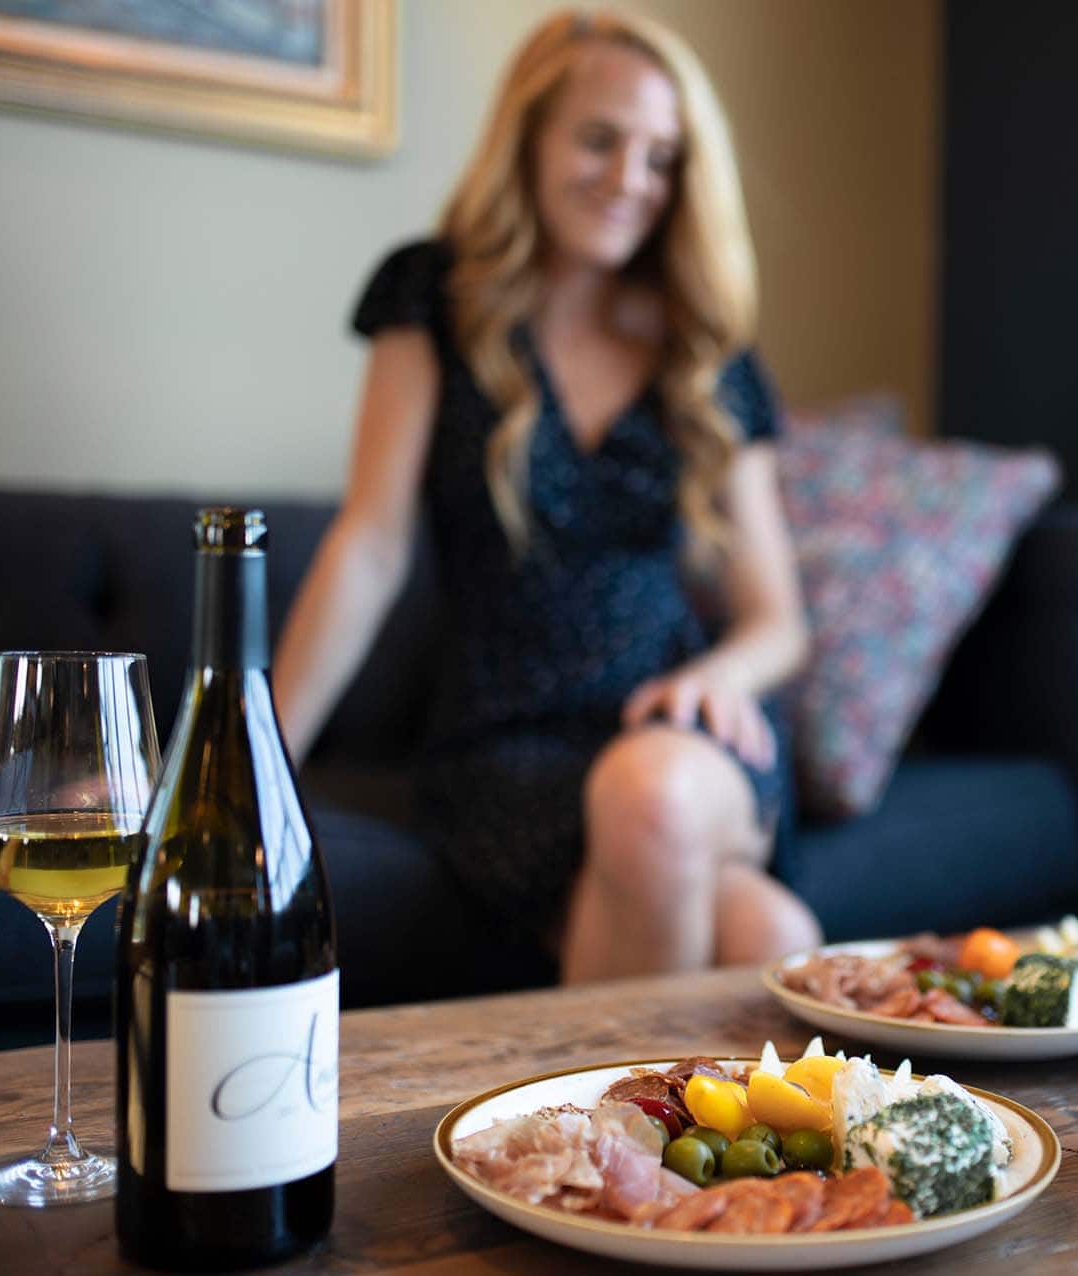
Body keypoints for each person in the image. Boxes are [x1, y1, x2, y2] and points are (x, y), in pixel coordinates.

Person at [272, 10, 822, 983]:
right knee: (770, 941)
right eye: (601, 139)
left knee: (651, 792)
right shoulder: (433, 298)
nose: (630, 181)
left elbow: (776, 621)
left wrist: (721, 681)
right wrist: (253, 769)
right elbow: (370, 546)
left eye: (661, 158)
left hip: (678, 734)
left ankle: (580, 1139)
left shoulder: (704, 349)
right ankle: (634, 1133)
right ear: (529, 136)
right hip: (506, 745)